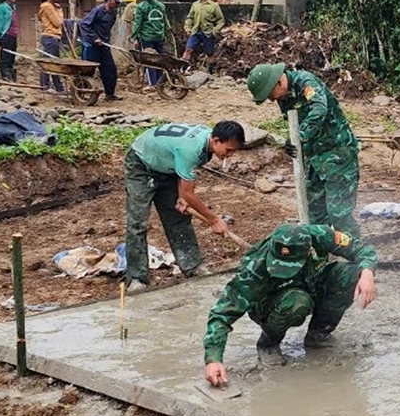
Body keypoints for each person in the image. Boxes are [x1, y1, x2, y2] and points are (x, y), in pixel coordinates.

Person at [203, 222, 378, 382]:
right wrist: (213, 358)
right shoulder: (254, 269)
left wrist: (368, 271)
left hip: (310, 283)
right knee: (296, 302)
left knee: (351, 275)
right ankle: (268, 344)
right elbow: (222, 312)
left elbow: (361, 249)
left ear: (308, 251)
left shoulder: (320, 235)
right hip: (273, 302)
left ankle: (319, 334)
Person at [123, 120, 245, 293]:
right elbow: (190, 192)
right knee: (137, 222)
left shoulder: (205, 144)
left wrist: (182, 196)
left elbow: (186, 177)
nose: (230, 155)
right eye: (229, 150)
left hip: (168, 165)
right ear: (216, 140)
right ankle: (136, 277)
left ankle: (192, 265)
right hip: (142, 164)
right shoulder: (191, 148)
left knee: (178, 217)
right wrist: (214, 220)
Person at [246, 63, 361, 238]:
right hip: (314, 157)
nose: (271, 100)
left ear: (278, 82)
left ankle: (359, 257)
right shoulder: (283, 97)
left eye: (270, 95)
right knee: (315, 212)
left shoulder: (306, 82)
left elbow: (319, 108)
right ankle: (319, 256)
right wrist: (291, 142)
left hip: (338, 153)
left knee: (339, 214)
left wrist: (300, 136)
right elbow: (295, 122)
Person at [79, 0, 122, 101]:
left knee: (110, 69)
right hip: (92, 45)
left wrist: (105, 40)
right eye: (116, 2)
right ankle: (81, 93)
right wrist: (94, 38)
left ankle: (110, 94)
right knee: (88, 70)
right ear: (110, 0)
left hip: (104, 45)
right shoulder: (97, 11)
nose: (117, 5)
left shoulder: (113, 13)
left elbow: (107, 29)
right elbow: (84, 24)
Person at [131, 0, 168, 90]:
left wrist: (134, 37)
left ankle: (153, 84)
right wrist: (164, 34)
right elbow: (164, 22)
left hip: (147, 37)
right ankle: (161, 82)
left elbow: (137, 24)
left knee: (149, 60)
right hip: (159, 36)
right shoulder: (161, 6)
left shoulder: (141, 7)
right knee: (160, 59)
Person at [182, 0, 224, 67]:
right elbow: (189, 17)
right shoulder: (195, 5)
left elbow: (221, 20)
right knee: (188, 49)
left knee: (209, 53)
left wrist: (215, 31)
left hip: (208, 33)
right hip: (196, 31)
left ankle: (210, 71)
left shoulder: (214, 6)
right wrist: (187, 28)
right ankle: (182, 67)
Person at [37, 0, 65, 93]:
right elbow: (57, 23)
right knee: (50, 63)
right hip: (51, 37)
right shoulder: (48, 7)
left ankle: (56, 86)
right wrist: (60, 11)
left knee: (52, 62)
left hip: (51, 37)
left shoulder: (47, 6)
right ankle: (47, 86)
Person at [0, 0, 18, 82]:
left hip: (13, 34)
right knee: (6, 55)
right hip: (6, 34)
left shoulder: (12, 7)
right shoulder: (2, 8)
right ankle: (5, 75)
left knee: (12, 55)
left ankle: (11, 74)